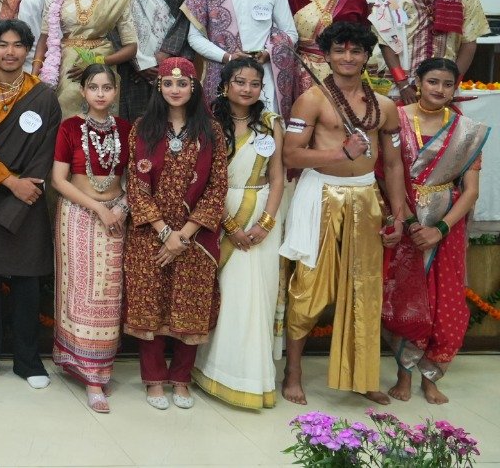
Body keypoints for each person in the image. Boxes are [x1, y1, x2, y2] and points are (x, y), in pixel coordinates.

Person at [279, 21, 409, 405]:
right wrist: (341, 153)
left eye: (355, 50)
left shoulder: (385, 107)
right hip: (320, 195)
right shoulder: (311, 100)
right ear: (327, 54)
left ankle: (363, 376)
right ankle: (293, 373)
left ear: (366, 55)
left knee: (365, 289)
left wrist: (398, 216)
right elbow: (290, 155)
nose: (347, 57)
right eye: (340, 50)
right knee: (309, 286)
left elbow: (394, 164)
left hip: (366, 197)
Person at [0, 19, 61, 390]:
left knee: (27, 283)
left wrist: (25, 186)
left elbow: (47, 149)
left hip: (30, 197)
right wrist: (8, 182)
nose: (10, 52)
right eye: (2, 44)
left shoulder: (43, 95)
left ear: (27, 50)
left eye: (18, 45)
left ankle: (27, 361)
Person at [123, 58, 227, 411]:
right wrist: (164, 231)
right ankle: (154, 379)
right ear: (159, 88)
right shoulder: (143, 128)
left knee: (190, 305)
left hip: (195, 236)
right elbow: (135, 185)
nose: (175, 89)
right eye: (168, 83)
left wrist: (183, 235)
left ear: (194, 87)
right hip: (149, 234)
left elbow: (217, 186)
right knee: (149, 305)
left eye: (183, 83)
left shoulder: (211, 131)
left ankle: (181, 379)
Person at [382, 58, 487, 405]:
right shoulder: (396, 118)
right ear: (418, 82)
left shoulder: (465, 130)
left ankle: (431, 376)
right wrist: (409, 221)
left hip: (447, 226)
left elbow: (470, 190)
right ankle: (403, 374)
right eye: (432, 82)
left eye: (447, 84)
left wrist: (440, 229)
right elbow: (388, 173)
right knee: (407, 297)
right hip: (404, 216)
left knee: (444, 299)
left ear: (455, 88)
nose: (439, 89)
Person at [193, 57, 287, 410]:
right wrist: (230, 225)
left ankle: (253, 378)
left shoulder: (270, 124)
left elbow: (277, 176)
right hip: (218, 212)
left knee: (257, 296)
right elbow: (203, 180)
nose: (247, 89)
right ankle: (214, 371)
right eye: (240, 82)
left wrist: (266, 222)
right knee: (229, 294)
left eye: (254, 83)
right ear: (224, 85)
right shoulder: (208, 122)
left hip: (262, 213)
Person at [50, 64, 131, 413]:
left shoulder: (126, 129)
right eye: (93, 87)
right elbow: (59, 180)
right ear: (82, 91)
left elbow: (135, 177)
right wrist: (98, 209)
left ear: (115, 91)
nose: (100, 93)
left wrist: (121, 207)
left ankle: (101, 367)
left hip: (116, 215)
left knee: (109, 293)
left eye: (106, 87)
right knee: (81, 291)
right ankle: (87, 373)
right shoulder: (70, 127)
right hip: (79, 214)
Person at [184, 0, 301, 116]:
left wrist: (267, 54)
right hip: (223, 71)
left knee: (265, 125)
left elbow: (290, 34)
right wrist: (228, 57)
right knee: (224, 125)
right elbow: (195, 38)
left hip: (263, 74)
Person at [33, 0, 140, 119]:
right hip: (66, 65)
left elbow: (131, 48)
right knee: (65, 119)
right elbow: (45, 37)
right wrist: (34, 77)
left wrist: (97, 62)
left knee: (100, 119)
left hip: (103, 65)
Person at [289, 0, 371, 95]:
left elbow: (366, 41)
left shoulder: (356, 1)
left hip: (344, 68)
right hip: (301, 70)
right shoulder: (294, 1)